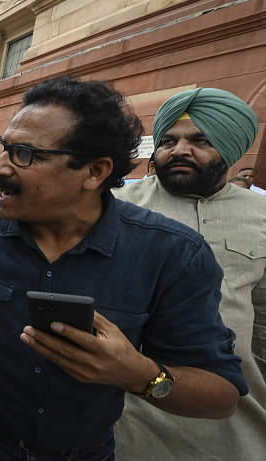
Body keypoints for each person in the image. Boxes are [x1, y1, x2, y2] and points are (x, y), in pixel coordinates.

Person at [0, 76, 246, 460]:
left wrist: (137, 373)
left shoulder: (173, 255)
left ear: (95, 172)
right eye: (2, 149)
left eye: (24, 154)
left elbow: (222, 394)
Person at [113, 87, 266, 460]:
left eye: (200, 140)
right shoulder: (113, 208)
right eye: (168, 140)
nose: (179, 150)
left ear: (230, 146)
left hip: (233, 419)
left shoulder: (261, 216)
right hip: (126, 415)